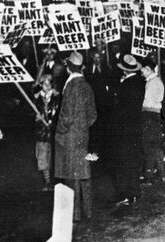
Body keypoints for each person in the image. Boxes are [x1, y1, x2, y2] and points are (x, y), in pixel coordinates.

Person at [53, 52, 97, 222]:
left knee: (71, 176)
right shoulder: (87, 85)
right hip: (83, 135)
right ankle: (89, 211)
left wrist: (59, 131)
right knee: (83, 173)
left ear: (68, 68)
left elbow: (66, 116)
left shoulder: (71, 86)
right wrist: (82, 127)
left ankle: (75, 214)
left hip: (69, 137)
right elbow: (93, 114)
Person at [103, 54, 146, 207]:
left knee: (121, 163)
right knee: (132, 162)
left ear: (125, 70)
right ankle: (134, 193)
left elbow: (118, 108)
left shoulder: (126, 85)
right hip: (134, 128)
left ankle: (124, 194)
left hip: (122, 130)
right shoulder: (140, 82)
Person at [139, 60, 165, 185]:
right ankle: (160, 174)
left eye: (143, 70)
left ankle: (148, 176)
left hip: (149, 115)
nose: (141, 72)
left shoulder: (152, 83)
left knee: (148, 146)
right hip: (154, 115)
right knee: (155, 146)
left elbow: (147, 102)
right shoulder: (156, 81)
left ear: (148, 69)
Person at [33, 74, 60, 191]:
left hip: (55, 131)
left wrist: (53, 121)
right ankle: (47, 182)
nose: (47, 86)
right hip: (42, 133)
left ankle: (56, 183)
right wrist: (36, 117)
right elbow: (30, 114)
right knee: (43, 158)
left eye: (49, 83)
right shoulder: (36, 98)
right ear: (40, 85)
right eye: (44, 83)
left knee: (55, 158)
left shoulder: (58, 97)